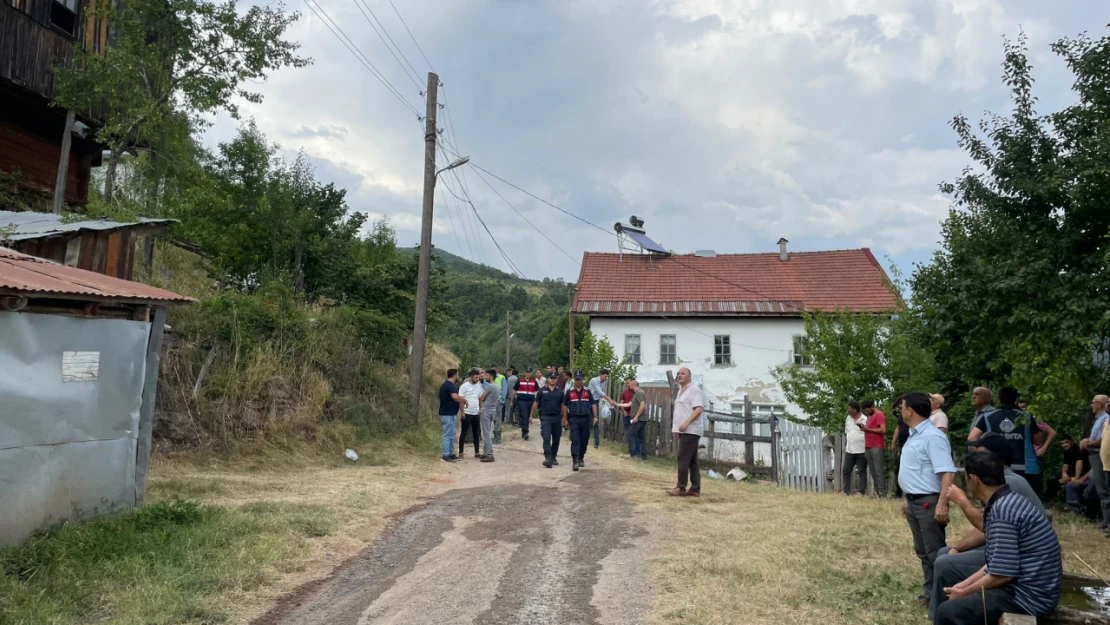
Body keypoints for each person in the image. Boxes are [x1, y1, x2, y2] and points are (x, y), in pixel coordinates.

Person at [935, 451, 1062, 625]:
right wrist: (962, 586)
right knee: (953, 583)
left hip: (1028, 598)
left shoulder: (1003, 512)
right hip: (1025, 587)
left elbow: (1002, 575)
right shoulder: (1007, 501)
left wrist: (964, 592)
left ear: (974, 479)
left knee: (948, 612)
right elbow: (997, 563)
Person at [896, 392, 957, 609]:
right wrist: (907, 497)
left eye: (902, 407)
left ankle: (943, 597)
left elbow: (948, 472)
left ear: (910, 410)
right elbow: (917, 471)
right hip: (914, 502)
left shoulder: (933, 436)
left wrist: (942, 502)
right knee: (923, 551)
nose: (901, 411)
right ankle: (930, 594)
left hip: (928, 503)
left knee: (934, 552)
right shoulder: (914, 435)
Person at [970, 387, 1045, 496]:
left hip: (996, 467)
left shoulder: (989, 416)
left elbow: (972, 438)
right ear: (1016, 400)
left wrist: (980, 459)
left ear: (999, 399)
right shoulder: (1026, 417)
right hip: (1025, 468)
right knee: (1028, 502)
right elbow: (1039, 441)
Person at [667, 367, 704, 498]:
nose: (679, 375)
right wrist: (677, 429)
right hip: (684, 430)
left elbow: (699, 409)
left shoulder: (694, 389)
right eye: (678, 373)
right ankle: (695, 489)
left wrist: (686, 423)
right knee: (692, 460)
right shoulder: (681, 391)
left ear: (689, 377)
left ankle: (681, 487)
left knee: (683, 458)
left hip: (691, 430)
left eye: (682, 373)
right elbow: (682, 411)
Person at [563, 370, 598, 471]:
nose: (578, 381)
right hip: (574, 418)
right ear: (574, 379)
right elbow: (565, 406)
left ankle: (581, 457)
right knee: (575, 439)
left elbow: (593, 404)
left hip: (585, 419)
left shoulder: (587, 391)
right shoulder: (569, 391)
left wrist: (595, 416)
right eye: (576, 379)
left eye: (580, 379)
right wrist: (565, 419)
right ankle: (575, 460)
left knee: (584, 439)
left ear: (583, 379)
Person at [532, 372, 565, 468]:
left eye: (554, 378)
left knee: (556, 438)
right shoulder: (542, 391)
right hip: (545, 417)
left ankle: (553, 456)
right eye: (551, 378)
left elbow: (563, 405)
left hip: (557, 417)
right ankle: (548, 457)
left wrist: (564, 418)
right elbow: (536, 403)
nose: (553, 379)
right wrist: (531, 415)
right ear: (547, 379)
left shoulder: (560, 392)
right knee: (546, 437)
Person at [615, 378, 648, 459]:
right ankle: (643, 456)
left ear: (633, 385)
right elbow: (629, 404)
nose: (628, 386)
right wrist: (617, 404)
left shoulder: (639, 393)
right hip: (642, 418)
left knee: (630, 434)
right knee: (641, 437)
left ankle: (632, 454)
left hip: (640, 418)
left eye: (629, 384)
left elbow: (642, 405)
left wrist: (636, 417)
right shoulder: (636, 394)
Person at [1059, 434, 1091, 515]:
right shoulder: (1066, 452)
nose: (1064, 445)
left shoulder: (1078, 449)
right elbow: (1065, 465)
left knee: (1071, 485)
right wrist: (1064, 473)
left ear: (1072, 442)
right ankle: (1072, 508)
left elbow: (1079, 463)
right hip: (1076, 477)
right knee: (1060, 482)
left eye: (1066, 442)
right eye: (1062, 443)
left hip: (1087, 477)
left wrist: (1076, 479)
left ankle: (1075, 509)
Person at [437, 369, 464, 462]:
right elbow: (455, 397)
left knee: (452, 434)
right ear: (455, 375)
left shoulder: (448, 385)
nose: (458, 377)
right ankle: (445, 455)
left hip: (451, 413)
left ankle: (451, 453)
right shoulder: (449, 386)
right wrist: (464, 400)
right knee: (447, 435)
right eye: (458, 375)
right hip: (447, 413)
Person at [862, 399, 887, 496]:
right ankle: (878, 491)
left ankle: (882, 492)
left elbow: (883, 429)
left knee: (878, 470)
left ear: (872, 407)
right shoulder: (869, 416)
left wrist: (868, 429)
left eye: (867, 410)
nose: (866, 412)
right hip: (868, 445)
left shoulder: (879, 414)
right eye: (865, 411)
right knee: (872, 470)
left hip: (877, 445)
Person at [843, 401, 868, 495]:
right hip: (850, 449)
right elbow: (847, 432)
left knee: (861, 471)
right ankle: (846, 491)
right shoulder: (848, 419)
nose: (848, 410)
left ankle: (861, 492)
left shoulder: (865, 419)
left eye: (849, 408)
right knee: (846, 470)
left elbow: (867, 432)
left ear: (855, 410)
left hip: (861, 449)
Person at [457, 369, 483, 459]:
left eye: (478, 377)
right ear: (471, 377)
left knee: (476, 433)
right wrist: (462, 412)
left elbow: (480, 398)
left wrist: (480, 408)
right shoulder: (464, 387)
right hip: (467, 412)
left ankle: (477, 452)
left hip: (475, 412)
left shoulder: (478, 386)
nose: (477, 379)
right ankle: (461, 452)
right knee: (464, 432)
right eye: (476, 377)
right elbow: (461, 400)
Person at [476, 368, 500, 463]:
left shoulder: (489, 386)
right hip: (493, 410)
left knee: (486, 434)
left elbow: (482, 397)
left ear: (491, 376)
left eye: (487, 376)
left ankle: (489, 454)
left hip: (486, 410)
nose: (485, 377)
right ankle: (486, 453)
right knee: (488, 432)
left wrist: (481, 408)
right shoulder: (498, 386)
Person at [588, 369, 615, 449]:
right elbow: (600, 392)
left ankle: (596, 443)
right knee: (587, 420)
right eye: (605, 376)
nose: (606, 378)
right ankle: (584, 438)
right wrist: (610, 400)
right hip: (588, 401)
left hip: (595, 401)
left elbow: (601, 394)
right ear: (601, 375)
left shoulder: (603, 382)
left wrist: (606, 402)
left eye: (607, 376)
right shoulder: (594, 380)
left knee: (596, 420)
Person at [514, 368, 539, 440]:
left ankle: (524, 431)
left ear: (531, 373)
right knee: (524, 415)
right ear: (524, 373)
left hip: (530, 401)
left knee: (527, 416)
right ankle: (525, 432)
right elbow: (514, 390)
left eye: (529, 372)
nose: (528, 374)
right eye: (527, 372)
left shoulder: (534, 381)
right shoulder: (520, 380)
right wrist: (512, 400)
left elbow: (538, 391)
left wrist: (538, 400)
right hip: (522, 401)